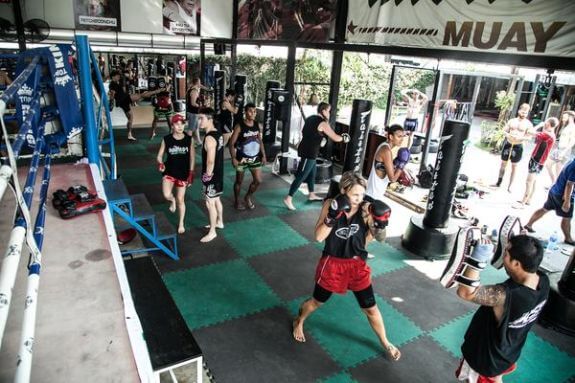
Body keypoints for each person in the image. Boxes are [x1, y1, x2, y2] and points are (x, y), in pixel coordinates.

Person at [291, 171, 401, 361]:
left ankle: (385, 341)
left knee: (371, 308)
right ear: (343, 191)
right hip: (332, 264)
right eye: (355, 195)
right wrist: (332, 216)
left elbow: (380, 239)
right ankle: (298, 320)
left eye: (362, 194)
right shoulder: (330, 204)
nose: (359, 199)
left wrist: (380, 224)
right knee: (317, 301)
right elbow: (318, 237)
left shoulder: (367, 208)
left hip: (357, 265)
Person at [455, 235, 549, 382]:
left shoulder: (505, 296)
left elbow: (465, 292)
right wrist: (522, 242)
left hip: (486, 358)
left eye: (506, 254)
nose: (502, 256)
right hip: (507, 353)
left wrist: (477, 259)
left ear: (517, 264)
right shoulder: (543, 280)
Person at [283, 102, 350, 211]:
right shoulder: (322, 123)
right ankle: (288, 198)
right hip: (309, 152)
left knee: (312, 172)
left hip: (308, 150)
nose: (329, 113)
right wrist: (344, 138)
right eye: (328, 111)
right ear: (323, 111)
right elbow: (335, 137)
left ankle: (311, 194)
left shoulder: (311, 118)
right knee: (302, 175)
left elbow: (305, 131)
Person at [155, 114, 195, 234]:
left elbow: (192, 158)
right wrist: (160, 163)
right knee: (167, 195)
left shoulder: (189, 139)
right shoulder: (167, 139)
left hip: (183, 173)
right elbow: (159, 155)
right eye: (177, 124)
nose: (180, 126)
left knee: (180, 200)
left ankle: (181, 223)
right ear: (172, 125)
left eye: (182, 124)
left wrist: (191, 173)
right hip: (169, 171)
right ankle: (171, 201)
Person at [524, 158, 575, 245]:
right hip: (562, 195)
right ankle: (568, 238)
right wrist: (567, 201)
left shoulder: (572, 161)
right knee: (567, 217)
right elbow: (569, 184)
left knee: (545, 209)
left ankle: (528, 225)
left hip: (554, 191)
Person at [229, 103, 267, 210]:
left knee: (258, 180)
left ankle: (247, 197)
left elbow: (260, 141)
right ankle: (237, 201)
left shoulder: (256, 124)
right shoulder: (239, 126)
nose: (253, 113)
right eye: (250, 111)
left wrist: (263, 155)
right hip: (242, 159)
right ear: (245, 112)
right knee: (239, 181)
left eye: (254, 111)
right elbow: (231, 143)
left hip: (255, 158)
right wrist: (233, 158)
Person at [108, 70, 163, 141]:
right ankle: (157, 91)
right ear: (113, 76)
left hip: (124, 100)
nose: (119, 77)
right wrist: (111, 103)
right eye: (117, 76)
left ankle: (129, 134)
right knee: (142, 95)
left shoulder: (115, 83)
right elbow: (112, 94)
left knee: (130, 118)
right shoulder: (112, 84)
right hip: (124, 100)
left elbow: (114, 93)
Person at [514, 117, 557, 208]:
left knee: (529, 182)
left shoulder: (548, 135)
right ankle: (528, 200)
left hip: (537, 161)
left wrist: (539, 125)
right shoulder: (549, 134)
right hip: (538, 160)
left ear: (548, 124)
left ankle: (523, 203)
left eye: (546, 123)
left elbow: (530, 132)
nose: (545, 124)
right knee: (533, 181)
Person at [493, 103, 534, 192]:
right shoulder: (512, 121)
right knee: (503, 164)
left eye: (525, 113)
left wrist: (520, 138)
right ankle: (498, 182)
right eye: (522, 112)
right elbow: (504, 131)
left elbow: (529, 137)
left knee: (514, 167)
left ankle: (510, 186)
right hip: (508, 143)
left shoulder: (528, 124)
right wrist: (508, 135)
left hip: (518, 146)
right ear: (519, 111)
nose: (523, 114)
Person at [199, 108, 225, 243]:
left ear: (210, 119)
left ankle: (212, 232)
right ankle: (219, 222)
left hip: (212, 176)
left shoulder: (209, 138)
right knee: (217, 200)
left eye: (201, 118)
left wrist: (207, 176)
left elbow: (210, 160)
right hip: (219, 174)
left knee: (210, 203)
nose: (199, 121)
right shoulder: (218, 133)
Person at [366, 124, 407, 201]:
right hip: (373, 196)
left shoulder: (384, 146)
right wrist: (402, 164)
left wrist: (396, 163)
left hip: (373, 193)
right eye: (399, 136)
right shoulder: (386, 151)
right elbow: (393, 179)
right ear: (391, 137)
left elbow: (385, 170)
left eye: (403, 136)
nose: (402, 139)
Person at [546, 111, 575, 185]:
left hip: (563, 151)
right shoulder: (566, 126)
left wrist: (564, 152)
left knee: (558, 170)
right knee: (548, 165)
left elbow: (572, 141)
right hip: (559, 149)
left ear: (570, 117)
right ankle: (554, 183)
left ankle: (556, 186)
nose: (563, 118)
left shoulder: (572, 127)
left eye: (565, 117)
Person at [186, 77, 203, 146]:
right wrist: (200, 106)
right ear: (197, 83)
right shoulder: (194, 91)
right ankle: (186, 143)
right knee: (191, 129)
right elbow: (193, 103)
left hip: (193, 112)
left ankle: (198, 141)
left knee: (196, 128)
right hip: (192, 112)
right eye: (199, 82)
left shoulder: (192, 89)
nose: (200, 83)